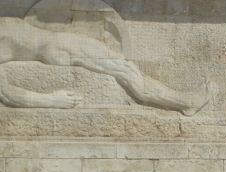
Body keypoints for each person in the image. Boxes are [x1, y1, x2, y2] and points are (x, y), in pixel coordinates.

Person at [0, 17, 211, 114]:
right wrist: (52, 100)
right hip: (58, 48)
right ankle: (185, 102)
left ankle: (183, 102)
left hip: (58, 44)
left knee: (124, 68)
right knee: (127, 71)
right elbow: (6, 94)